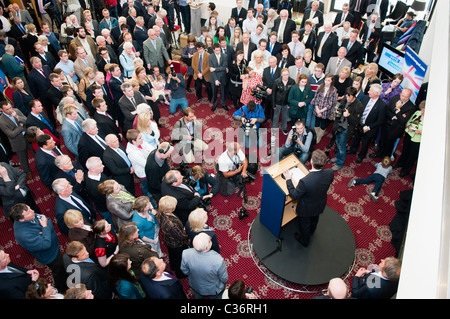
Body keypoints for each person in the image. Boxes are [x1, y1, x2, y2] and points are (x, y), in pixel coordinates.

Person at [10, 204, 68, 294]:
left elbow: (48, 220)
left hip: (54, 247)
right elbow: (46, 244)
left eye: (30, 208)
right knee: (59, 271)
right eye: (29, 212)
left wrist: (44, 231)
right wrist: (44, 227)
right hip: (50, 256)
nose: (33, 211)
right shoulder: (23, 234)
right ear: (21, 219)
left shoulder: (31, 215)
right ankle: (61, 288)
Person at [283, 149, 334, 247]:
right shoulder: (330, 172)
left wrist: (288, 179)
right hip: (320, 204)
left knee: (304, 225)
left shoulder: (305, 181)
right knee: (315, 219)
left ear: (311, 161)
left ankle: (304, 241)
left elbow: (294, 195)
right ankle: (312, 231)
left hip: (306, 209)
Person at [181, 232, 228, 299]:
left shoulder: (185, 253)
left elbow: (185, 271)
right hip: (213, 288)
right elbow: (224, 278)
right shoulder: (218, 260)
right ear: (207, 247)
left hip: (196, 285)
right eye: (209, 240)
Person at [347, 84, 386, 164]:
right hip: (359, 124)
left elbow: (380, 121)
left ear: (376, 93)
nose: (368, 91)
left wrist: (368, 127)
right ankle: (353, 150)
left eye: (370, 90)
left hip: (369, 128)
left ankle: (361, 156)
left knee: (365, 143)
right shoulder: (365, 98)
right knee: (356, 138)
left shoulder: (382, 106)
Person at [372, 88, 416, 160]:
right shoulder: (395, 98)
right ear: (400, 94)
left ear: (409, 97)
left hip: (395, 129)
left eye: (406, 97)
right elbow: (387, 110)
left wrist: (398, 110)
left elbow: (403, 121)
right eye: (402, 95)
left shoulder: (411, 107)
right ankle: (379, 153)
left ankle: (385, 159)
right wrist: (394, 116)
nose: (403, 98)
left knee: (389, 145)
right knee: (382, 141)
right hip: (387, 124)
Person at [329, 86, 364, 171]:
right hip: (338, 125)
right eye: (347, 96)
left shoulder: (359, 106)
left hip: (346, 129)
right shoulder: (345, 98)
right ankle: (337, 157)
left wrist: (348, 115)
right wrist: (338, 111)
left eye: (349, 96)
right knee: (338, 143)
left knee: (342, 147)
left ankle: (339, 163)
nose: (347, 98)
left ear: (354, 96)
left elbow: (356, 121)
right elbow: (341, 107)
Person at [394, 101, 425, 177]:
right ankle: (400, 163)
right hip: (409, 134)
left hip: (417, 139)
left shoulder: (431, 119)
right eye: (421, 109)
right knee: (405, 150)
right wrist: (409, 126)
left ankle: (405, 170)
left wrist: (420, 131)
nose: (422, 112)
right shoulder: (418, 112)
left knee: (412, 155)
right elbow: (409, 121)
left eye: (424, 110)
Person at [0, 101, 31, 178]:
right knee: (23, 159)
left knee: (34, 151)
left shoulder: (16, 111)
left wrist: (17, 117)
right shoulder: (1, 121)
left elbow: (26, 120)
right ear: (1, 110)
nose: (10, 110)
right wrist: (21, 127)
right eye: (7, 109)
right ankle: (27, 172)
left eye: (10, 107)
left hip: (28, 136)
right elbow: (11, 134)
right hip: (17, 141)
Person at [311, 73, 338, 143]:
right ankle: (315, 135)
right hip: (317, 109)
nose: (326, 82)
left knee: (323, 124)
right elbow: (316, 98)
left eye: (329, 80)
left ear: (332, 81)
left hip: (325, 111)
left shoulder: (334, 90)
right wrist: (317, 109)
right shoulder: (320, 87)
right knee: (316, 123)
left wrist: (321, 111)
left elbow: (331, 103)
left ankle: (319, 136)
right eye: (326, 80)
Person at [272, 68, 295, 135]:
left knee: (285, 116)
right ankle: (274, 130)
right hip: (277, 102)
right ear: (281, 75)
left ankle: (284, 128)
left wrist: (290, 104)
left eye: (287, 74)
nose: (285, 76)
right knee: (276, 117)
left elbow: (292, 94)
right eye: (284, 75)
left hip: (286, 102)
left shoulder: (292, 81)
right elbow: (273, 93)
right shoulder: (276, 81)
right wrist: (273, 104)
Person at [209, 43, 229, 111]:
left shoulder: (225, 56)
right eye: (216, 50)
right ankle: (214, 104)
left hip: (222, 77)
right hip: (214, 78)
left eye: (219, 50)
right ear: (214, 50)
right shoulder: (210, 57)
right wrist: (216, 80)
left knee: (223, 92)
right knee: (214, 92)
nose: (218, 52)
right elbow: (211, 70)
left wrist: (215, 69)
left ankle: (223, 104)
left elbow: (224, 67)